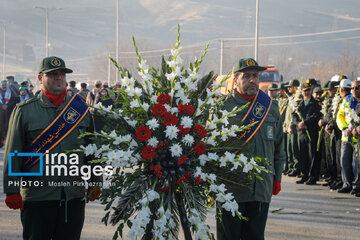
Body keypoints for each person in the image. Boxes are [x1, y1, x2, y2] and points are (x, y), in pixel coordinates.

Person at [2, 56, 101, 240]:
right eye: (53, 74)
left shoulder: (80, 110)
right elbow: (13, 152)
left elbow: (92, 148)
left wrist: (96, 179)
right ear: (40, 78)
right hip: (38, 197)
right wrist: (12, 189)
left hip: (73, 195)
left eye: (62, 74)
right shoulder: (24, 110)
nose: (59, 78)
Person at [217, 58, 285, 240]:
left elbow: (279, 148)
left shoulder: (270, 108)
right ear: (236, 79)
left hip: (260, 188)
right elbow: (211, 149)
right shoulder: (222, 108)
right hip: (231, 188)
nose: (252, 80)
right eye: (246, 76)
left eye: (255, 76)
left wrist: (276, 178)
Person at [336, 79, 360, 194]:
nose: (354, 90)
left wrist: (355, 130)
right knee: (344, 161)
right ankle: (347, 184)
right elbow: (339, 117)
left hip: (357, 138)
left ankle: (357, 185)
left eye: (357, 88)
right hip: (346, 137)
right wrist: (345, 129)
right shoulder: (346, 100)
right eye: (352, 88)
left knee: (356, 164)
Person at [283, 79, 301, 177]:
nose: (289, 88)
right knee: (289, 149)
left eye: (291, 86)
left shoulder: (297, 99)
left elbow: (295, 116)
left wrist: (291, 126)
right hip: (288, 127)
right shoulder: (291, 98)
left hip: (293, 128)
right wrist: (285, 125)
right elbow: (287, 115)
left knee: (294, 149)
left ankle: (296, 167)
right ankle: (290, 167)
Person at [0, 80, 20, 148]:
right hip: (0, 111)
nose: (4, 86)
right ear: (0, 85)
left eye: (5, 85)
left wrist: (7, 105)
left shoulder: (10, 91)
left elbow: (14, 100)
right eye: (3, 85)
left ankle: (6, 140)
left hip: (8, 112)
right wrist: (1, 105)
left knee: (7, 126)